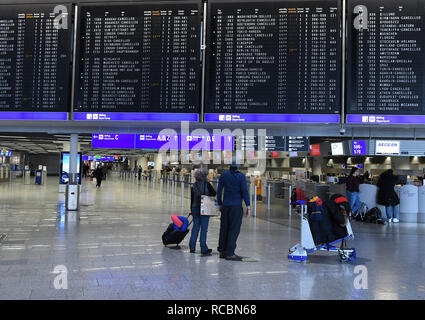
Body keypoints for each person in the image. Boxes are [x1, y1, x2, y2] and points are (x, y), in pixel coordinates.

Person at [216, 158, 251, 261]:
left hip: (225, 206)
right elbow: (244, 191)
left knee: (224, 228)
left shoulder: (224, 175)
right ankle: (230, 253)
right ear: (239, 166)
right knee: (234, 229)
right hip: (236, 206)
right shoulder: (241, 176)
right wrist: (248, 206)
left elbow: (219, 190)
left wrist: (220, 203)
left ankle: (222, 251)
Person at [189, 168, 217, 256]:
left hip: (194, 208)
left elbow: (192, 199)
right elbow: (214, 193)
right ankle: (203, 247)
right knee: (204, 229)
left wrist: (191, 210)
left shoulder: (194, 185)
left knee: (195, 228)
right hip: (204, 208)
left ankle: (192, 247)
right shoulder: (207, 184)